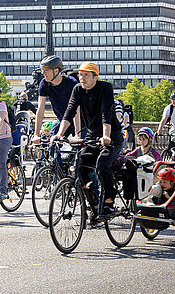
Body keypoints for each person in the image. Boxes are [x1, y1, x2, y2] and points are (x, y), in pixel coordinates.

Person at [51, 62, 124, 218]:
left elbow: (106, 112)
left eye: (86, 75)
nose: (82, 78)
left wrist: (106, 136)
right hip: (92, 134)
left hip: (112, 135)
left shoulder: (105, 88)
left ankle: (109, 203)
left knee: (102, 165)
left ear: (95, 77)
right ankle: (95, 203)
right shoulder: (78, 89)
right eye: (80, 74)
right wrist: (59, 134)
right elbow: (69, 111)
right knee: (81, 168)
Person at [34, 56, 78, 139]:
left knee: (80, 144)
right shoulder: (44, 84)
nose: (43, 73)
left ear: (56, 71)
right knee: (52, 141)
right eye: (42, 70)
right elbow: (40, 109)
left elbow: (77, 110)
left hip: (79, 120)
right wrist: (36, 134)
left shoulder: (71, 82)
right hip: (62, 119)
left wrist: (77, 134)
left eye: (46, 70)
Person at [119, 127, 162, 201]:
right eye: (140, 139)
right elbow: (128, 156)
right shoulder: (138, 149)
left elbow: (159, 160)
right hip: (139, 173)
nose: (142, 142)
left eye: (144, 139)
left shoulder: (152, 151)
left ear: (149, 140)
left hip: (149, 173)